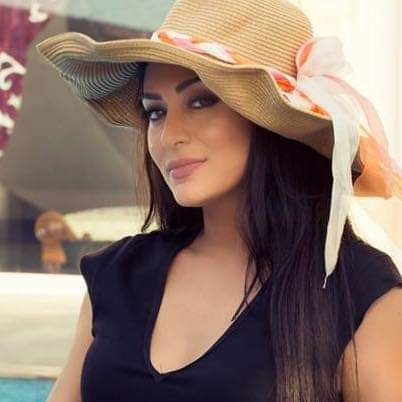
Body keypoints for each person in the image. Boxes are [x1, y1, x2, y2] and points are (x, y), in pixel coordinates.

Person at [36, 1, 402, 401]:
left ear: (271, 123)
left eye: (201, 101)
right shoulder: (115, 276)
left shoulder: (359, 294)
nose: (169, 135)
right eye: (155, 112)